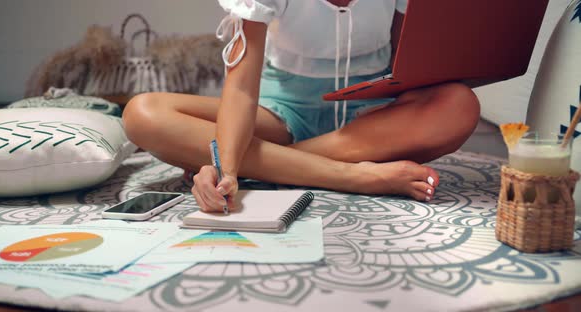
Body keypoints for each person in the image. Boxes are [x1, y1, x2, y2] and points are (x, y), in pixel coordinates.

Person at [122, 0, 481, 213]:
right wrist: (227, 168)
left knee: (460, 104)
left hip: (370, 119)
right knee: (143, 114)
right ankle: (355, 175)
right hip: (282, 111)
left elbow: (410, 69)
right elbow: (242, 88)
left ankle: (275, 166)